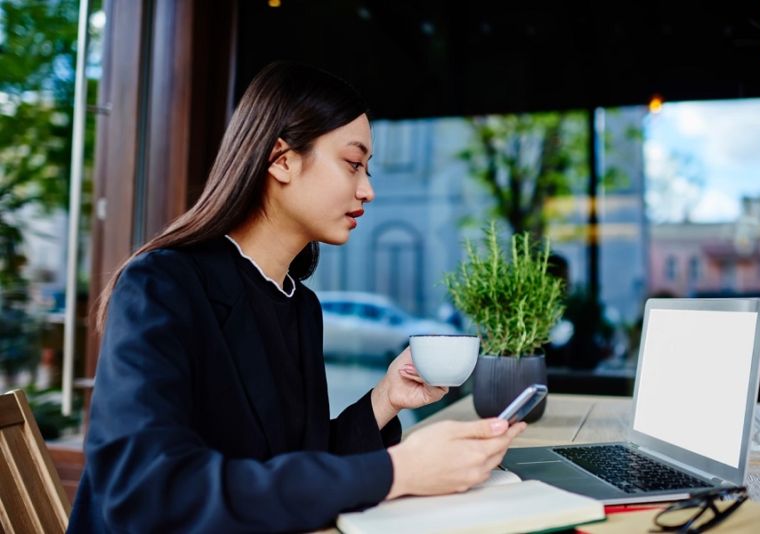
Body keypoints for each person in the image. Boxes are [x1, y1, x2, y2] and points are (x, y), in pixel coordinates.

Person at [67, 61, 526, 533]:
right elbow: (146, 490)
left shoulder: (298, 305)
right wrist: (400, 470)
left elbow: (295, 464)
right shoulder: (161, 285)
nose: (367, 190)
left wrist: (385, 400)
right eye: (352, 163)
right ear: (281, 159)